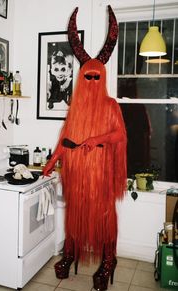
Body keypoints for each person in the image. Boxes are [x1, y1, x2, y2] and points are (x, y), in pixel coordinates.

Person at [43, 6, 127, 291]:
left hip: (100, 176)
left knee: (104, 219)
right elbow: (64, 140)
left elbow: (119, 135)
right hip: (77, 175)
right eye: (87, 77)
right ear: (81, 79)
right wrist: (51, 161)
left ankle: (108, 261)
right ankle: (70, 254)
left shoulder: (111, 106)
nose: (91, 82)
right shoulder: (75, 110)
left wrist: (97, 139)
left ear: (101, 78)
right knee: (75, 216)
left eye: (96, 77)